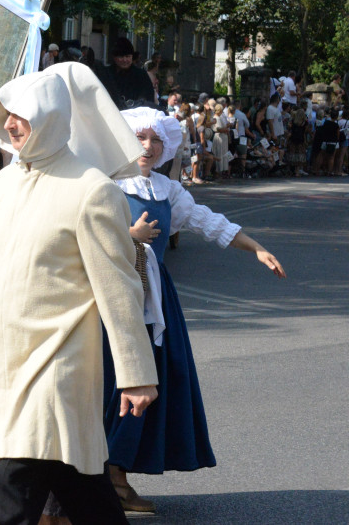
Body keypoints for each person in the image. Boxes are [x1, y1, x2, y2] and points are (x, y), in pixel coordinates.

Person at [0, 63, 158, 524]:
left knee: (14, 490)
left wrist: (135, 372)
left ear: (51, 116)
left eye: (23, 114)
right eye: (6, 113)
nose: (11, 123)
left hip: (58, 366)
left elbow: (118, 290)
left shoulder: (91, 190)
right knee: (80, 487)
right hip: (7, 363)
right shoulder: (2, 188)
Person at [105, 107, 286, 511]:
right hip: (111, 298)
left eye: (155, 140)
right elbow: (75, 229)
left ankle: (117, 477)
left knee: (148, 385)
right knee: (112, 386)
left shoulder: (168, 191)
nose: (148, 147)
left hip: (153, 298)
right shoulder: (105, 184)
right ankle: (103, 482)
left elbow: (210, 222)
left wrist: (256, 247)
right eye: (140, 138)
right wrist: (126, 235)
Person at [94, 37, 156, 109]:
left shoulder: (141, 75)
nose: (124, 60)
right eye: (121, 56)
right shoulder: (106, 74)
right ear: (114, 57)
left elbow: (148, 98)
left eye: (128, 56)